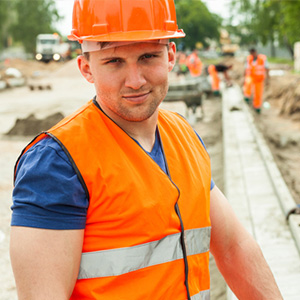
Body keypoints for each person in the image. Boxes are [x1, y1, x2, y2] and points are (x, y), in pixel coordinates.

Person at [10, 1, 283, 299]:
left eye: (147, 56)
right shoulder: (57, 163)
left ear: (170, 57)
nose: (135, 81)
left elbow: (234, 248)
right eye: (114, 62)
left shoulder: (183, 135)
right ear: (86, 68)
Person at [243, 48, 270, 114]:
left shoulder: (262, 58)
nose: (252, 54)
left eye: (253, 53)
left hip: (259, 79)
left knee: (258, 93)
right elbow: (246, 68)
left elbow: (267, 68)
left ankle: (257, 106)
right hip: (251, 76)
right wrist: (244, 75)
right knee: (248, 83)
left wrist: (268, 79)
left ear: (256, 52)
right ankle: (247, 96)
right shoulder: (249, 59)